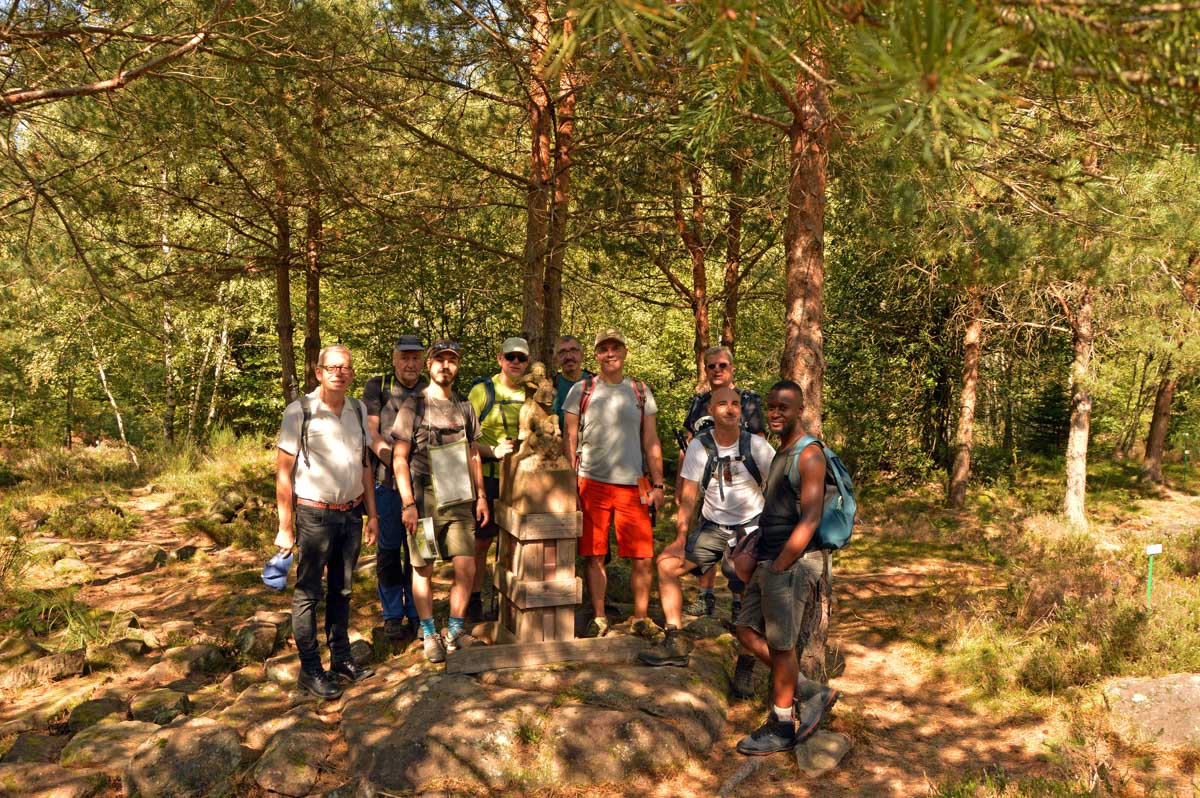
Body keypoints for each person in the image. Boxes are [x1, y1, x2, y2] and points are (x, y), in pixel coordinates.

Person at [734, 379, 839, 755]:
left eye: (784, 407)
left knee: (781, 646)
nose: (776, 413)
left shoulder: (809, 454)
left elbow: (810, 518)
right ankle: (808, 690)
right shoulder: (781, 452)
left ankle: (781, 725)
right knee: (746, 631)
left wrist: (779, 566)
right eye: (772, 407)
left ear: (800, 409)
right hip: (770, 560)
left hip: (791, 563)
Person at [639, 386, 774, 667]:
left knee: (748, 589)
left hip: (750, 529)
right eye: (722, 404)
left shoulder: (757, 446)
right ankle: (675, 641)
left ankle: (746, 664)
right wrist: (680, 538)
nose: (730, 409)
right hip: (713, 528)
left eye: (735, 404)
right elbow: (689, 498)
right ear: (711, 410)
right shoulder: (699, 446)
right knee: (666, 566)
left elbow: (778, 488)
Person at [275, 345, 378, 699]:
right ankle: (310, 669)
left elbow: (365, 464)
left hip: (351, 514)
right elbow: (283, 472)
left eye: (345, 367)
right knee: (308, 594)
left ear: (352, 373)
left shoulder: (358, 409)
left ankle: (341, 659)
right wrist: (285, 526)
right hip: (314, 515)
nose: (339, 373)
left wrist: (372, 515)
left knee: (342, 590)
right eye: (332, 367)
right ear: (318, 372)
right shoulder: (299, 411)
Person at [391, 340, 490, 662]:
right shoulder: (413, 406)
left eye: (452, 360)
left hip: (460, 495)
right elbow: (399, 458)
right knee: (423, 567)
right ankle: (429, 632)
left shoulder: (465, 406)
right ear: (429, 365)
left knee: (466, 565)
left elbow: (474, 453)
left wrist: (481, 496)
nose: (446, 366)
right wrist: (408, 503)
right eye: (440, 360)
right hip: (424, 497)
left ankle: (456, 630)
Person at [562, 328, 665, 638]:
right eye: (604, 349)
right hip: (591, 481)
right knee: (594, 553)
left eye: (615, 348)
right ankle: (599, 616)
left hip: (635, 484)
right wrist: (570, 483)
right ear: (596, 355)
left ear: (624, 352)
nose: (610, 353)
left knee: (643, 555)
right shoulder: (582, 389)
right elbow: (569, 438)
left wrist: (659, 484)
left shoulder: (640, 391)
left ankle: (640, 618)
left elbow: (651, 440)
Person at [678, 345, 766, 619]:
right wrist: (681, 487)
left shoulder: (748, 400)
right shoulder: (699, 402)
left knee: (743, 547)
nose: (717, 370)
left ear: (732, 368)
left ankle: (741, 603)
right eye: (711, 366)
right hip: (706, 482)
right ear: (705, 370)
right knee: (705, 535)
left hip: (742, 486)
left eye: (722, 365)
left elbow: (760, 440)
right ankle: (705, 596)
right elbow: (687, 444)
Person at [362, 335, 427, 644]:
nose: (410, 364)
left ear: (423, 361)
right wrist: (394, 460)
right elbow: (371, 432)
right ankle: (391, 614)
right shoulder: (379, 386)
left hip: (423, 487)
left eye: (415, 358)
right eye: (405, 357)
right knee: (389, 551)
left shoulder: (430, 389)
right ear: (394, 359)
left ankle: (417, 611)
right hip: (386, 483)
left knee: (420, 551)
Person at [466, 337, 530, 622]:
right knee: (482, 543)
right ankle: (474, 600)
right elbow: (464, 441)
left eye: (521, 358)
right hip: (488, 478)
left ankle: (509, 600)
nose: (515, 362)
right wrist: (493, 451)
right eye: (510, 356)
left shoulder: (531, 393)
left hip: (522, 481)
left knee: (516, 541)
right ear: (499, 358)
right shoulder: (482, 391)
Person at [551, 335, 590, 433]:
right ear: (556, 359)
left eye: (573, 350)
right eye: (562, 352)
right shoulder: (551, 386)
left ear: (582, 355)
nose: (569, 357)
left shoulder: (595, 382)